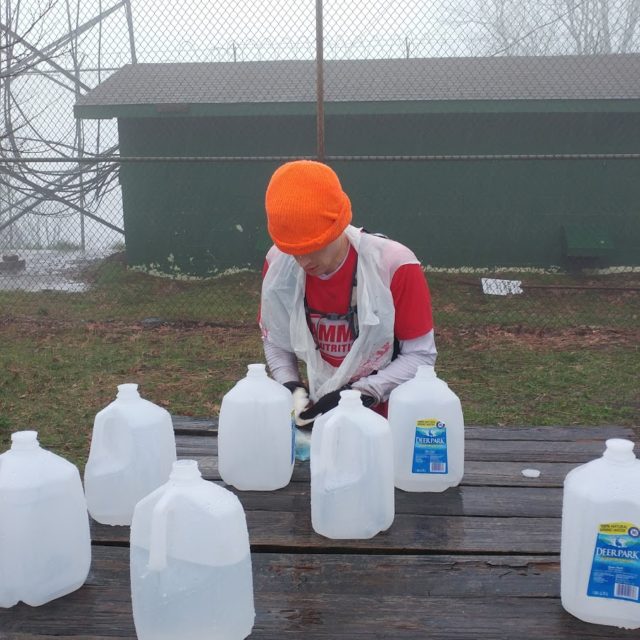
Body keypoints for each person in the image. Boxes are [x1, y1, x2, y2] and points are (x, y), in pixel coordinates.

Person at [259, 160, 436, 426]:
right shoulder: (278, 264)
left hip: (390, 421)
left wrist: (363, 394)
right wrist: (291, 385)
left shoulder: (393, 265)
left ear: (338, 225)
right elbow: (275, 338)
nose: (304, 262)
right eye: (293, 250)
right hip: (323, 422)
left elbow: (420, 356)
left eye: (315, 246)